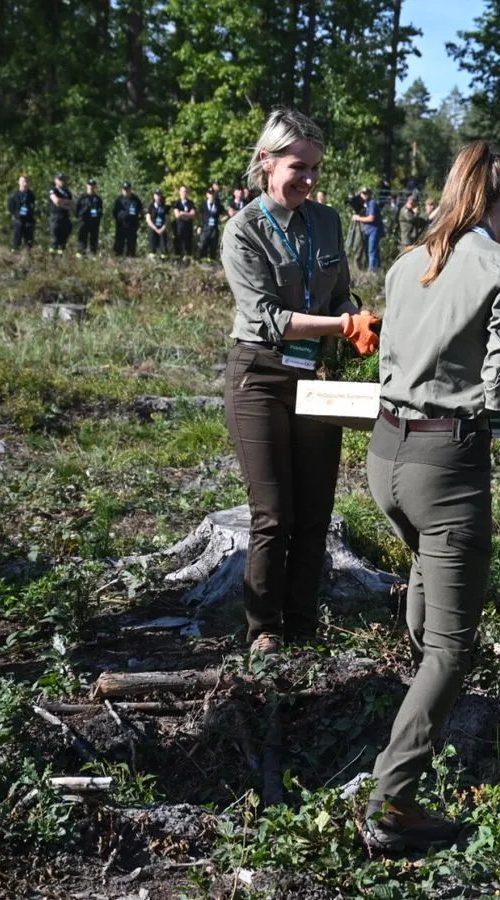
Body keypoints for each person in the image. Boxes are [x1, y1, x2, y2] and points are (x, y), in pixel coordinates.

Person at [363, 141, 500, 852]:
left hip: (383, 456)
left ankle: (422, 715)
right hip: (445, 466)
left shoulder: (404, 262)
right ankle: (392, 803)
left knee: (427, 587)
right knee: (451, 647)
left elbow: (392, 363)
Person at [221, 107, 378, 656]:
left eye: (315, 170)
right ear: (266, 162)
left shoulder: (328, 222)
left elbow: (341, 290)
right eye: (297, 167)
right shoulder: (243, 231)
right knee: (273, 513)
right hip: (261, 375)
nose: (308, 180)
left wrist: (354, 315)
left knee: (315, 511)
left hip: (317, 377)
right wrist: (341, 324)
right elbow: (268, 317)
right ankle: (264, 629)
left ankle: (303, 624)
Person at [353, 186, 384, 270]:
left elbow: (371, 218)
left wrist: (357, 218)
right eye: (363, 193)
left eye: (366, 193)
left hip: (374, 230)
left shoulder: (372, 203)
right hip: (369, 231)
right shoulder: (366, 204)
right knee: (373, 251)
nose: (364, 195)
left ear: (369, 194)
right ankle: (377, 268)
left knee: (371, 251)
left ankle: (371, 271)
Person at [112, 181, 143, 258]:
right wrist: (120, 218)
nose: (126, 191)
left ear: (130, 189)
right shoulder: (118, 200)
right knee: (119, 244)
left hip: (132, 226)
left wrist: (138, 219)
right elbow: (114, 212)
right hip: (121, 226)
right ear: (122, 190)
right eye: (124, 189)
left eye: (127, 189)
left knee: (131, 244)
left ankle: (130, 260)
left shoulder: (136, 199)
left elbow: (141, 211)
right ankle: (118, 259)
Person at [8, 175, 37, 251]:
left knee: (29, 240)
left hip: (29, 220)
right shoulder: (14, 195)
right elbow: (11, 207)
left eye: (26, 182)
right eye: (23, 181)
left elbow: (33, 206)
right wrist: (17, 214)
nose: (25, 184)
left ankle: (28, 255)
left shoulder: (31, 195)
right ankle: (15, 252)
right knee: (17, 239)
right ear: (19, 182)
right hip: (18, 220)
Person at [48, 173, 75, 254]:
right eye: (59, 179)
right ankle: (52, 256)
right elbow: (56, 201)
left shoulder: (67, 192)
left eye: (63, 179)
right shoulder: (53, 190)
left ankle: (60, 257)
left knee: (64, 239)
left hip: (65, 217)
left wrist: (63, 203)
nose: (62, 181)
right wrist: (66, 203)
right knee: (55, 238)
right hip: (56, 217)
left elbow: (72, 204)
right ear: (55, 180)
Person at [75, 179, 104, 256]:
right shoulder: (82, 197)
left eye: (93, 185)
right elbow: (76, 209)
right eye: (89, 185)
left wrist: (97, 216)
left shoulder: (98, 199)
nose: (91, 187)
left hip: (94, 222)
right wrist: (80, 217)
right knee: (82, 240)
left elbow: (101, 211)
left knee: (94, 240)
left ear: (95, 187)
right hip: (83, 222)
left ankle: (93, 255)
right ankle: (80, 255)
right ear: (87, 186)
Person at [199, 186, 223, 260]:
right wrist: (199, 226)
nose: (211, 195)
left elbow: (225, 214)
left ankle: (212, 261)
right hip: (205, 228)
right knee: (203, 245)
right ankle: (203, 260)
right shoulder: (203, 204)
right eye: (210, 194)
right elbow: (199, 216)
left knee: (213, 246)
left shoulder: (218, 205)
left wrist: (220, 221)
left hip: (214, 228)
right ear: (207, 195)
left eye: (213, 194)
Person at [172, 186, 197, 259]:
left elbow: (193, 214)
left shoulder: (191, 203)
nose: (184, 193)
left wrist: (183, 213)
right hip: (179, 226)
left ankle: (187, 260)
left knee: (188, 243)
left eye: (185, 191)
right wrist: (187, 214)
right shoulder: (176, 203)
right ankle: (177, 259)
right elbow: (177, 215)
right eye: (182, 191)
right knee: (178, 243)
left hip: (188, 226)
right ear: (179, 192)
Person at [146, 189, 170, 259]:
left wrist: (162, 228)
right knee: (152, 248)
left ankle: (164, 262)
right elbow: (148, 219)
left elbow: (167, 219)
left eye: (159, 195)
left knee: (164, 248)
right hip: (153, 229)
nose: (158, 197)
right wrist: (155, 228)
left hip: (162, 229)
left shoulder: (165, 206)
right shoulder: (150, 206)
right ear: (153, 196)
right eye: (156, 195)